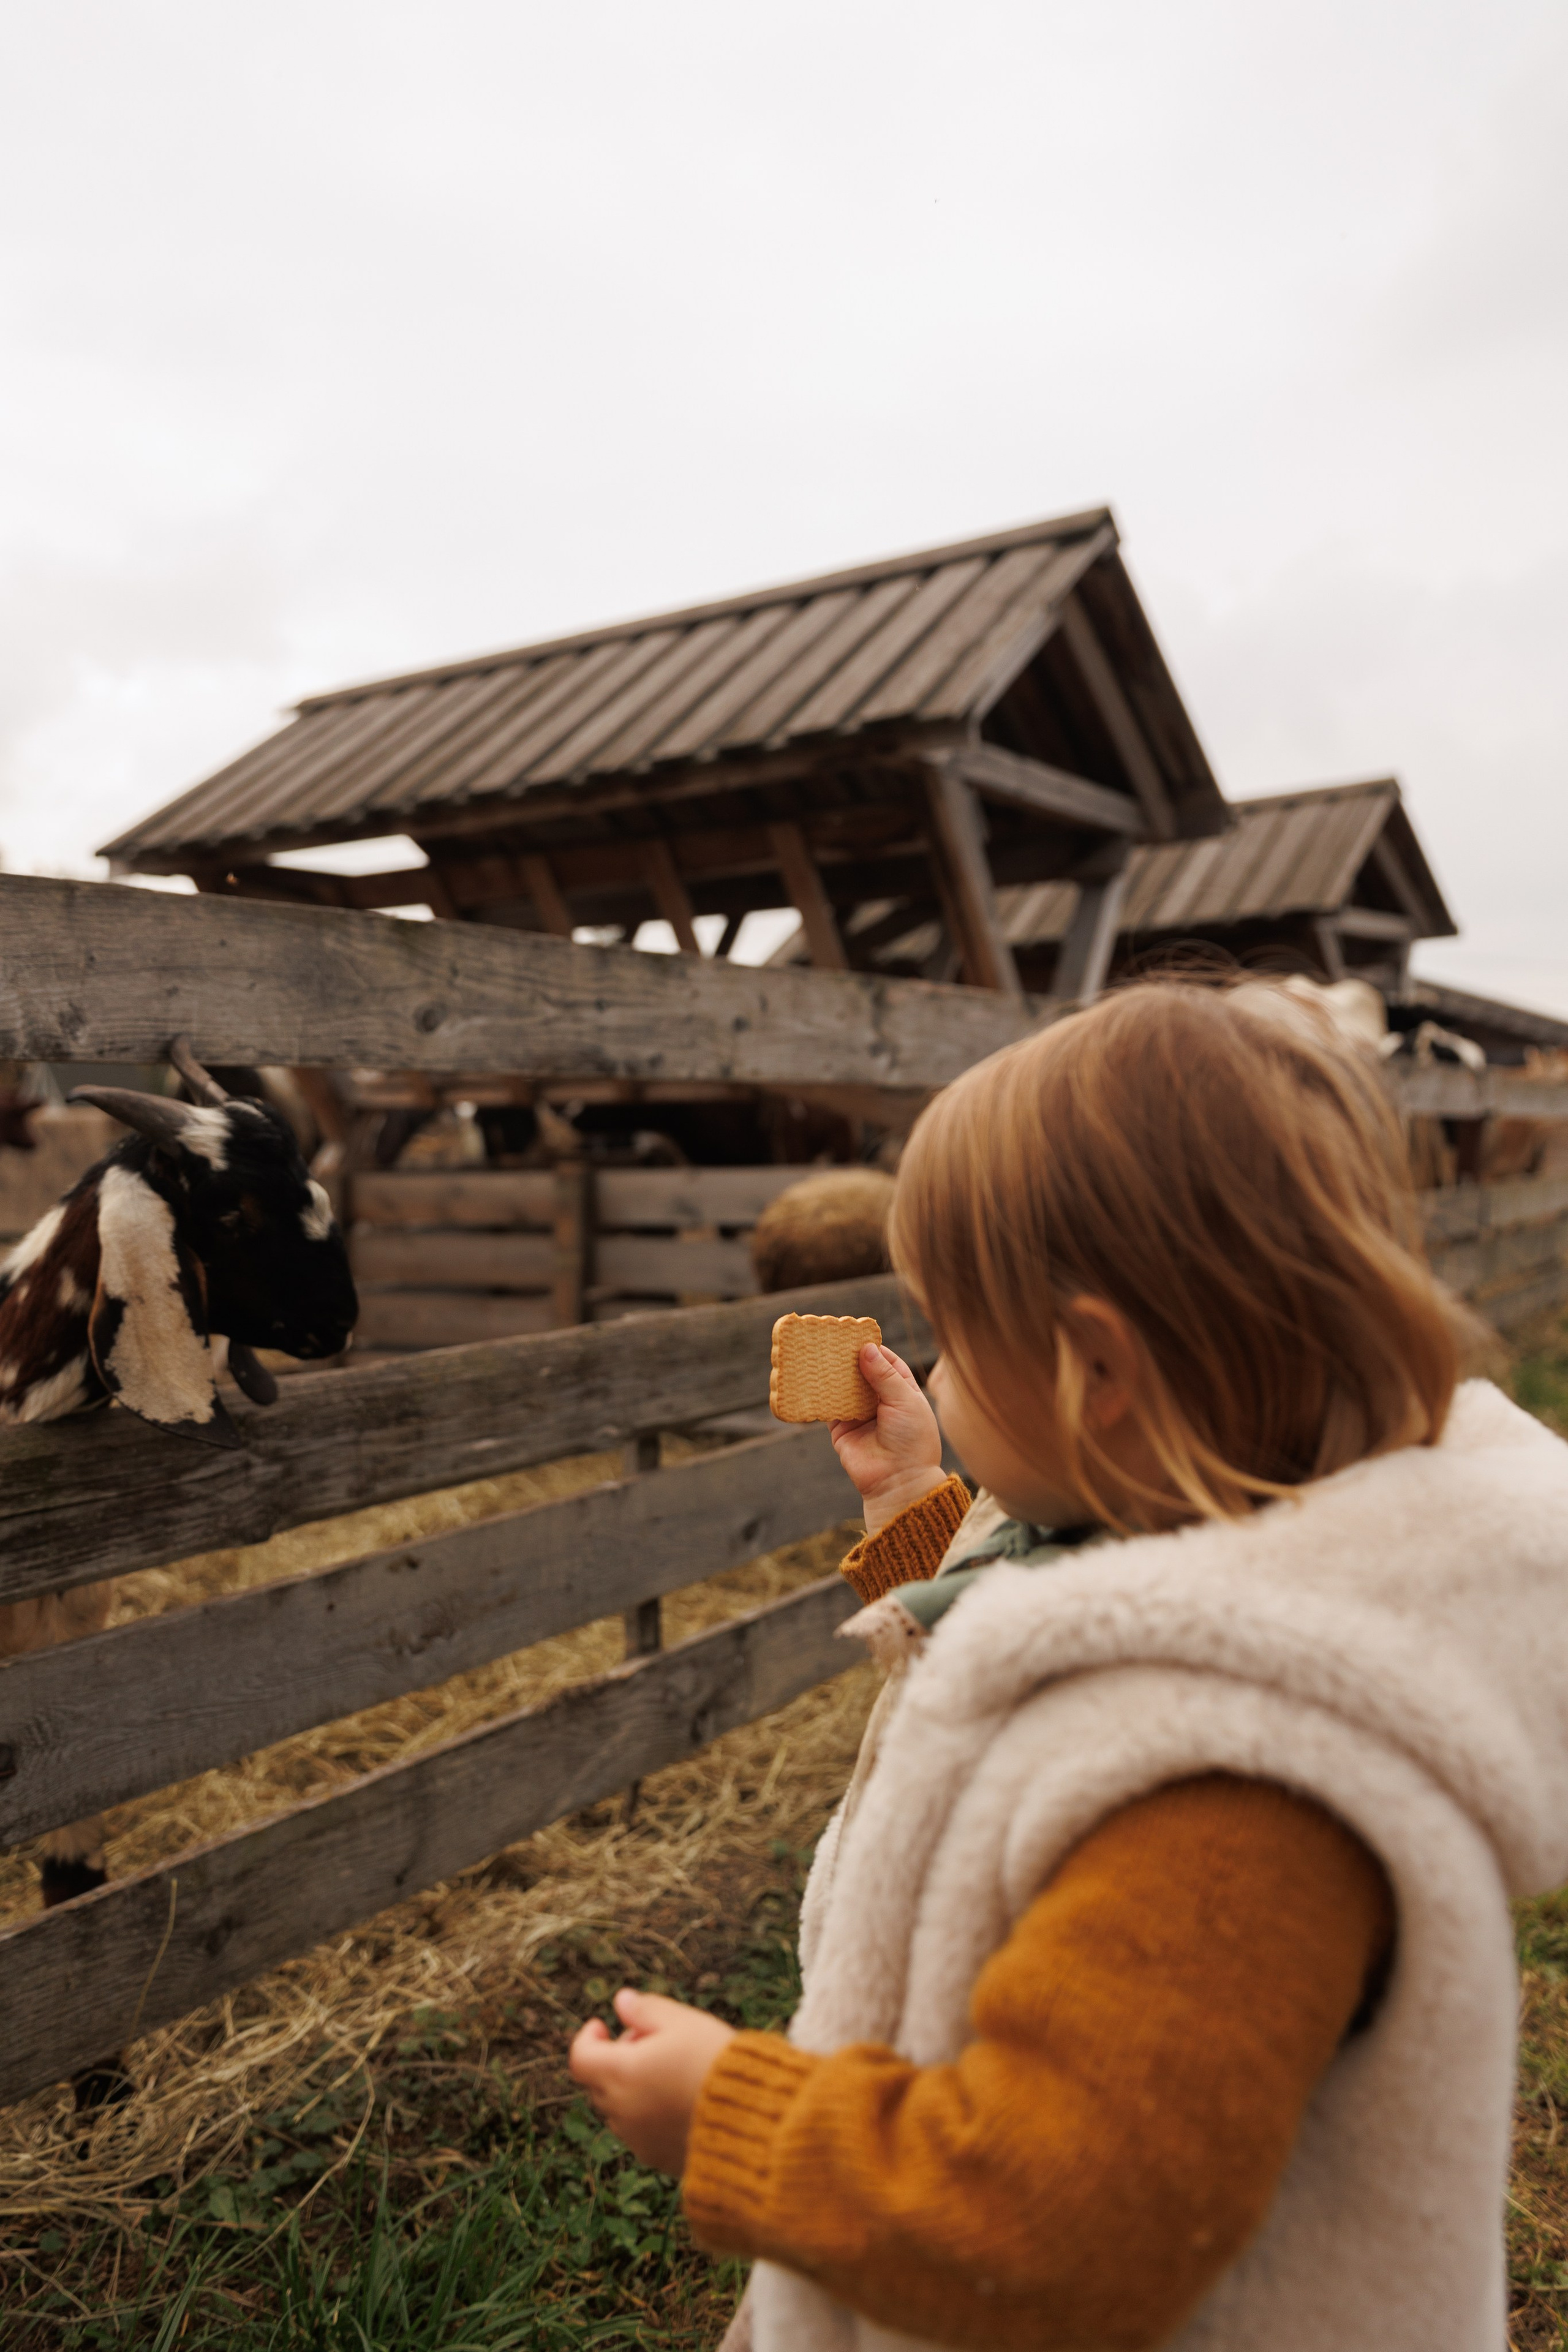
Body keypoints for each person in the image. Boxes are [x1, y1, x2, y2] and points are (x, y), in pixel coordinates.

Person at [569, 978, 1568, 2352]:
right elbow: (1007, 1663)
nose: (931, 1365)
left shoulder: (1233, 1790)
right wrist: (916, 1494)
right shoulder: (1222, 1550)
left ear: (1097, 1374)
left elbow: (1047, 2229)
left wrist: (732, 2113)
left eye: (954, 1336)